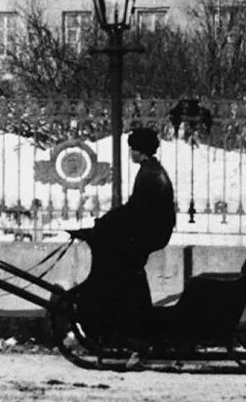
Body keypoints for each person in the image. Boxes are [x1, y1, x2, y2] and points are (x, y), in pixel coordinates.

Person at [72, 128, 176, 340]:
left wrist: (104, 223)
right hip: (152, 231)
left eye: (132, 148)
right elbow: (135, 210)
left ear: (141, 150)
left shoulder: (150, 174)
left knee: (118, 263)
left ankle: (128, 320)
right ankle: (134, 315)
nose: (130, 152)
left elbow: (134, 209)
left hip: (149, 234)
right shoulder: (152, 170)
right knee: (127, 268)